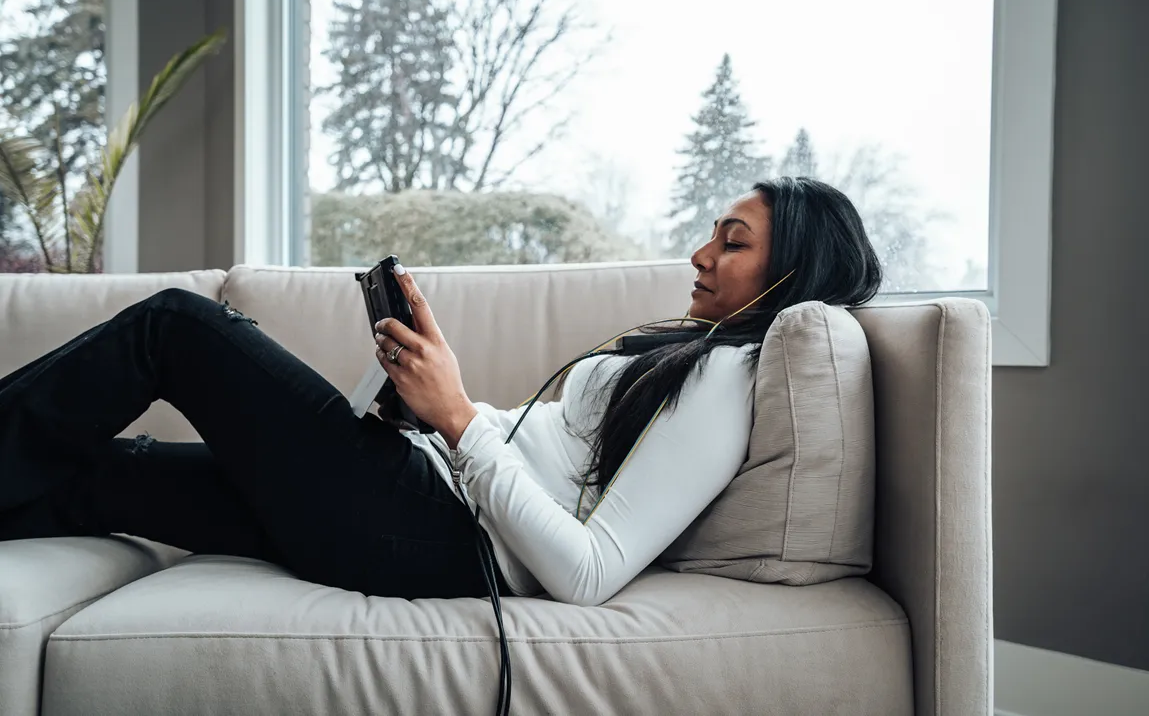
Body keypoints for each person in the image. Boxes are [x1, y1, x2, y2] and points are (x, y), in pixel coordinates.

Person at [0, 177, 881, 606]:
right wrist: (420, 393)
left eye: (731, 241)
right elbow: (533, 452)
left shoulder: (730, 376)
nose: (700, 254)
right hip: (409, 488)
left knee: (177, 327)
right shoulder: (689, 349)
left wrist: (458, 419)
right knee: (108, 475)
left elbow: (588, 572)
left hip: (430, 531)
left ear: (792, 269)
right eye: (712, 234)